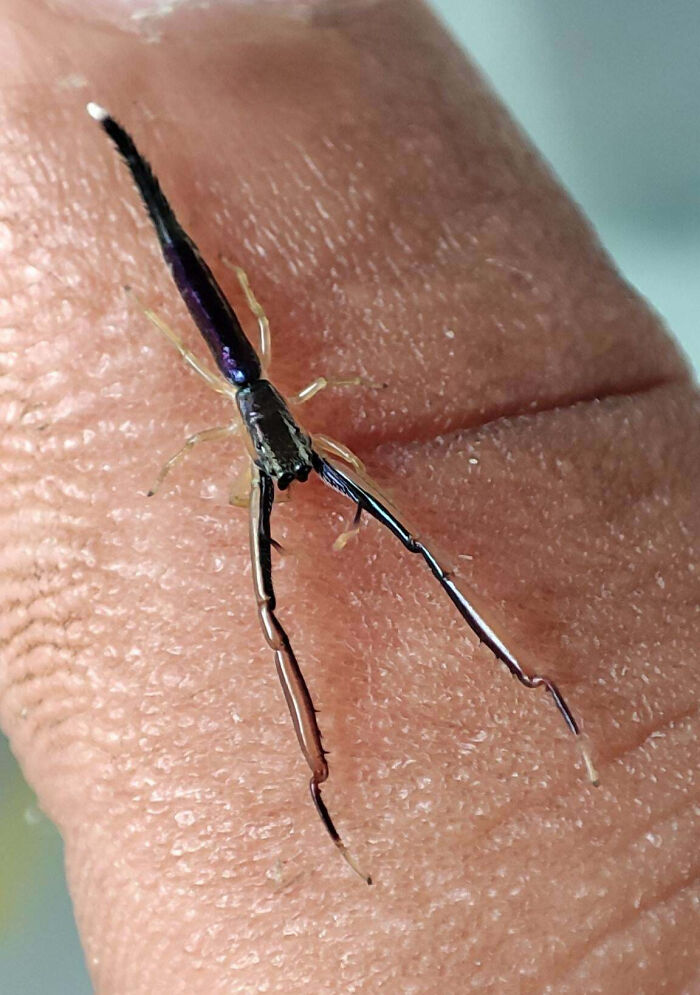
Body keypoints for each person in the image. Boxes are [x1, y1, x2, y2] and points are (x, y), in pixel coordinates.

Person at [1, 0, 696, 991]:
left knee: (412, 549)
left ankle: (521, 693)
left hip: (257, 386)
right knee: (271, 604)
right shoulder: (258, 413)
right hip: (241, 377)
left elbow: (392, 524)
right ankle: (118, 135)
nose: (290, 477)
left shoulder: (294, 422)